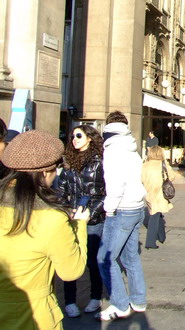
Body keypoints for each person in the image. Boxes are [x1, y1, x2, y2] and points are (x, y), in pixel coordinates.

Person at [0, 130, 89, 329]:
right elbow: (71, 271)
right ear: (45, 172)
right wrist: (80, 225)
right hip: (34, 316)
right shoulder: (51, 218)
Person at [96, 111, 147, 321]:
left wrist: (109, 208)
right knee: (130, 257)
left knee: (105, 258)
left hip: (122, 208)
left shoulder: (113, 149)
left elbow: (115, 183)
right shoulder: (131, 146)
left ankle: (119, 304)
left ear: (106, 128)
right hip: (137, 207)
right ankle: (138, 299)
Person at [55, 125, 106, 318]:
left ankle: (95, 297)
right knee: (70, 258)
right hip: (71, 217)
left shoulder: (99, 162)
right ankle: (70, 301)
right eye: (73, 136)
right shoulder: (68, 162)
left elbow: (103, 194)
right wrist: (66, 209)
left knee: (92, 260)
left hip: (92, 220)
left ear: (90, 138)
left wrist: (90, 214)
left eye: (79, 135)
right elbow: (61, 189)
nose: (74, 139)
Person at [141, 146, 174, 249]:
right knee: (154, 215)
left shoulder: (144, 165)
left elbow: (140, 179)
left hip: (149, 192)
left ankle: (161, 236)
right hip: (159, 193)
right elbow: (172, 176)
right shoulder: (163, 164)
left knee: (157, 212)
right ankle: (150, 242)